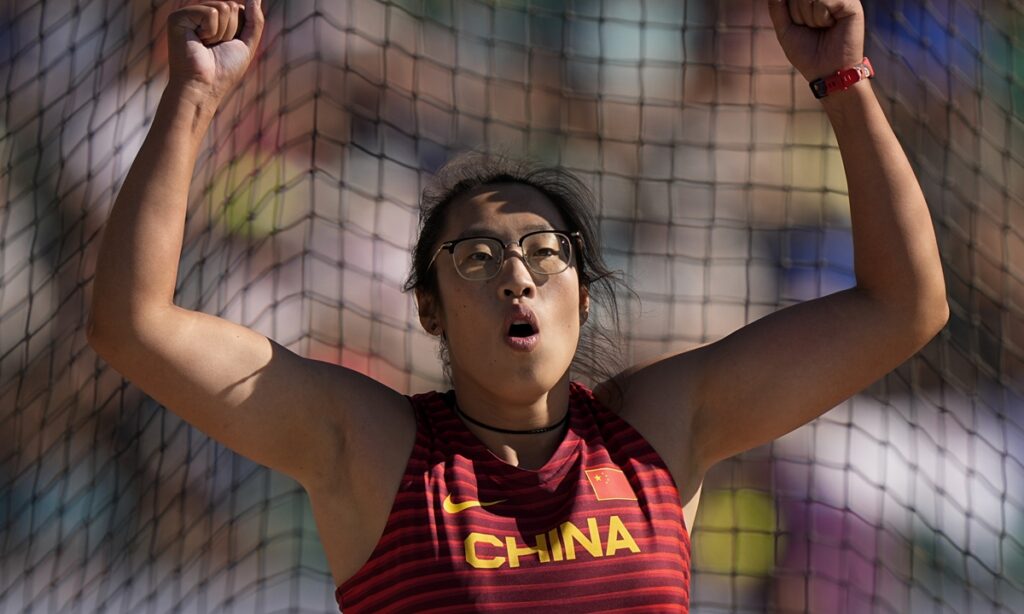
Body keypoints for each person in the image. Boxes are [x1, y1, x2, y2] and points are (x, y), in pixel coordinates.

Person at [87, 0, 948, 611]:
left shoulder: (662, 425)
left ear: (584, 293)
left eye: (546, 253)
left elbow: (904, 307)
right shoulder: (375, 445)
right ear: (430, 310)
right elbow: (136, 326)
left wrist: (843, 77)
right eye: (477, 256)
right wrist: (193, 96)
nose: (518, 275)